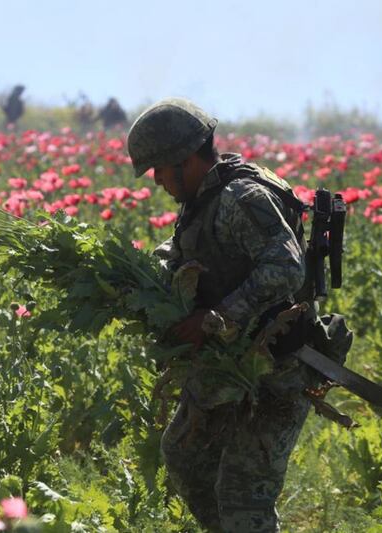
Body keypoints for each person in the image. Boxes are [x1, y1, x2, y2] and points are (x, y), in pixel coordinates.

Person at [128, 98, 335, 532]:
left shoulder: (242, 198)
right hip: (229, 365)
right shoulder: (202, 200)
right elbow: (198, 253)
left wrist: (213, 318)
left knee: (243, 497)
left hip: (278, 367)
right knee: (186, 457)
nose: (158, 180)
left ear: (184, 161)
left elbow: (285, 267)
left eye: (160, 170)